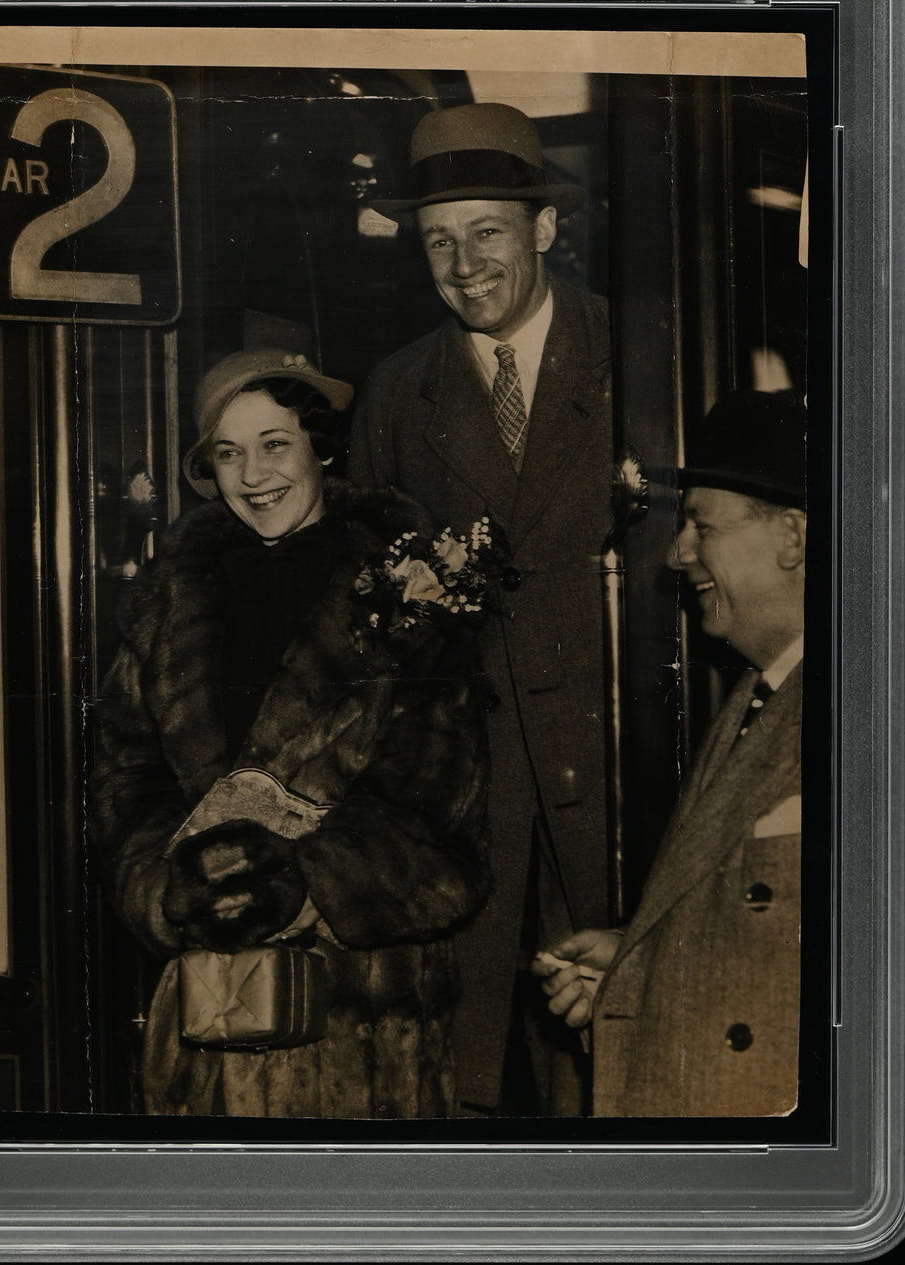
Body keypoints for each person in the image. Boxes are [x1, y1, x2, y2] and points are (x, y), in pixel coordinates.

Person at [90, 348, 490, 1119]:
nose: (253, 474)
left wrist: (305, 880)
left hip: (364, 1015)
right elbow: (124, 777)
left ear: (321, 448)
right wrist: (168, 888)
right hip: (208, 1009)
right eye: (228, 454)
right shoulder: (171, 605)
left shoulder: (406, 590)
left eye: (275, 443)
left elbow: (439, 810)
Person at [348, 102, 614, 1115]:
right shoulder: (394, 393)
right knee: (464, 1072)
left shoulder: (631, 351)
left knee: (607, 1066)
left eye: (486, 232)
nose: (461, 266)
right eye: (437, 241)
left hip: (612, 782)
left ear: (544, 228)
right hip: (467, 804)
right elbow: (370, 610)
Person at [535, 388, 805, 1116]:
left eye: (700, 524)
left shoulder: (872, 712)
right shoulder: (758, 695)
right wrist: (634, 968)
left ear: (793, 537)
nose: (680, 552)